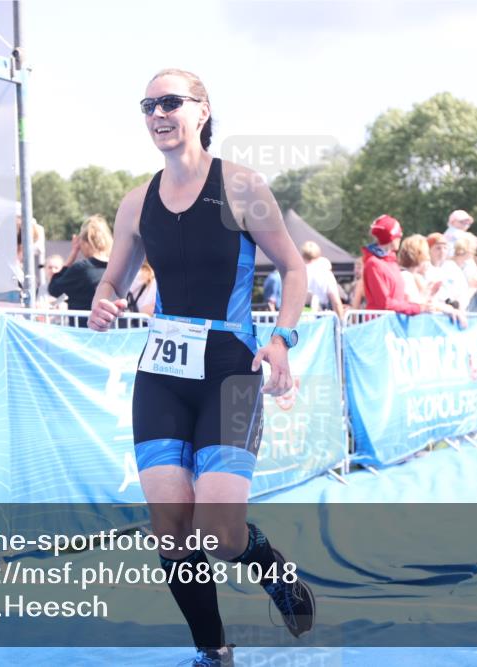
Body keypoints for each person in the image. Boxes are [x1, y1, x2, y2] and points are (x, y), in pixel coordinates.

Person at [86, 68, 313, 667]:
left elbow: (294, 268)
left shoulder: (241, 186)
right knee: (171, 528)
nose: (158, 114)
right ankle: (213, 651)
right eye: (147, 105)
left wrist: (282, 339)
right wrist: (104, 297)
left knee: (218, 530)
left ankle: (272, 570)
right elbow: (114, 275)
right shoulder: (136, 201)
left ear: (202, 110)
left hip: (230, 371)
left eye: (170, 102)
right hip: (162, 373)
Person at [48, 215, 113, 327]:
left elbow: (54, 288)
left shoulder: (82, 269)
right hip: (113, 332)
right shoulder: (115, 267)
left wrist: (73, 254)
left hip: (84, 333)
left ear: (84, 243)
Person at [362, 215, 423, 315]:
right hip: (380, 324)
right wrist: (417, 308)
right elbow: (385, 303)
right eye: (399, 234)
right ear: (391, 237)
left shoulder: (392, 262)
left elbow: (398, 298)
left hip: (394, 323)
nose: (401, 235)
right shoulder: (373, 264)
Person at [300, 241, 344, 318]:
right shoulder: (326, 274)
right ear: (318, 255)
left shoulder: (297, 273)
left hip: (299, 317)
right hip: (320, 318)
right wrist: (341, 322)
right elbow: (336, 301)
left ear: (303, 255)